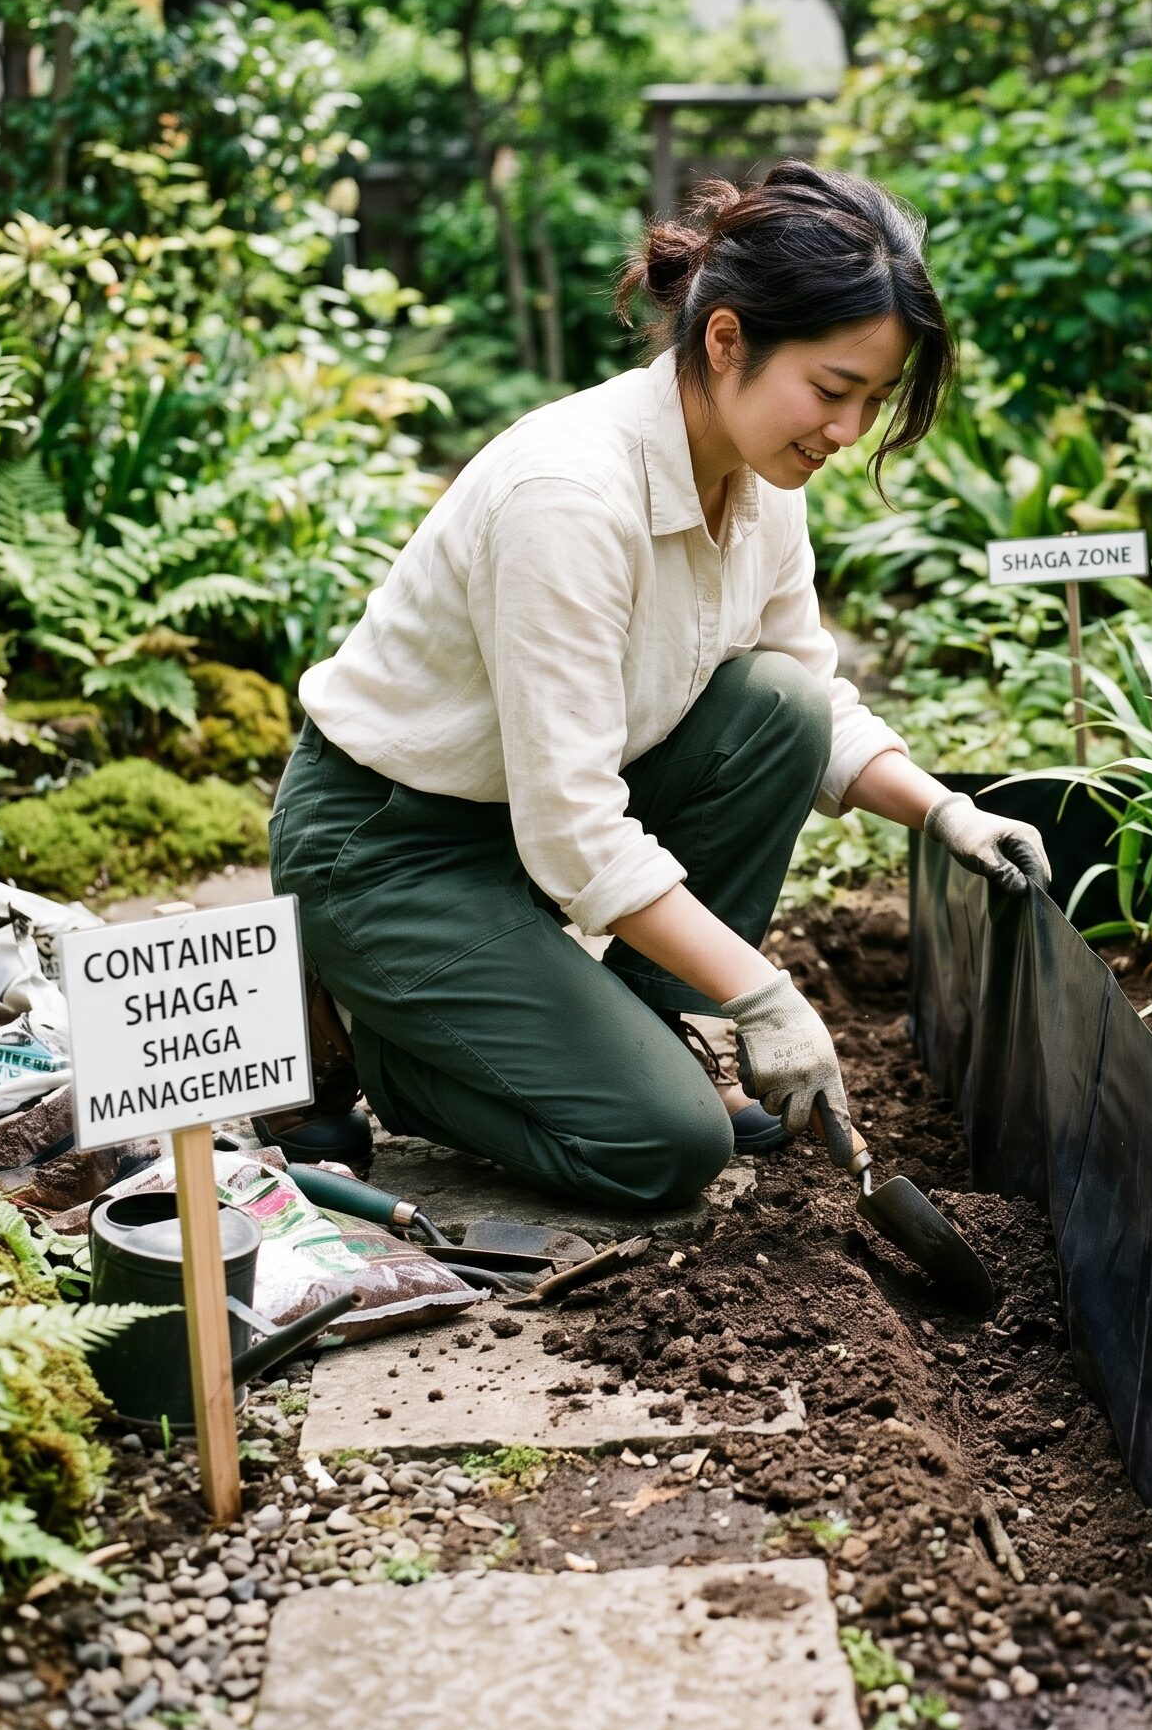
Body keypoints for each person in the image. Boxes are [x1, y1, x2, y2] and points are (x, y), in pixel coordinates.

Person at [263, 162, 1051, 1202]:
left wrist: (943, 810)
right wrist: (761, 994)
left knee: (779, 710)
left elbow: (810, 696)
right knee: (667, 1146)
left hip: (517, 829)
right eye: (831, 388)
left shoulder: (764, 481)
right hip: (389, 848)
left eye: (872, 399)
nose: (849, 430)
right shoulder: (570, 497)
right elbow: (576, 831)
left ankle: (620, 1028)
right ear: (724, 339)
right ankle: (393, 1053)